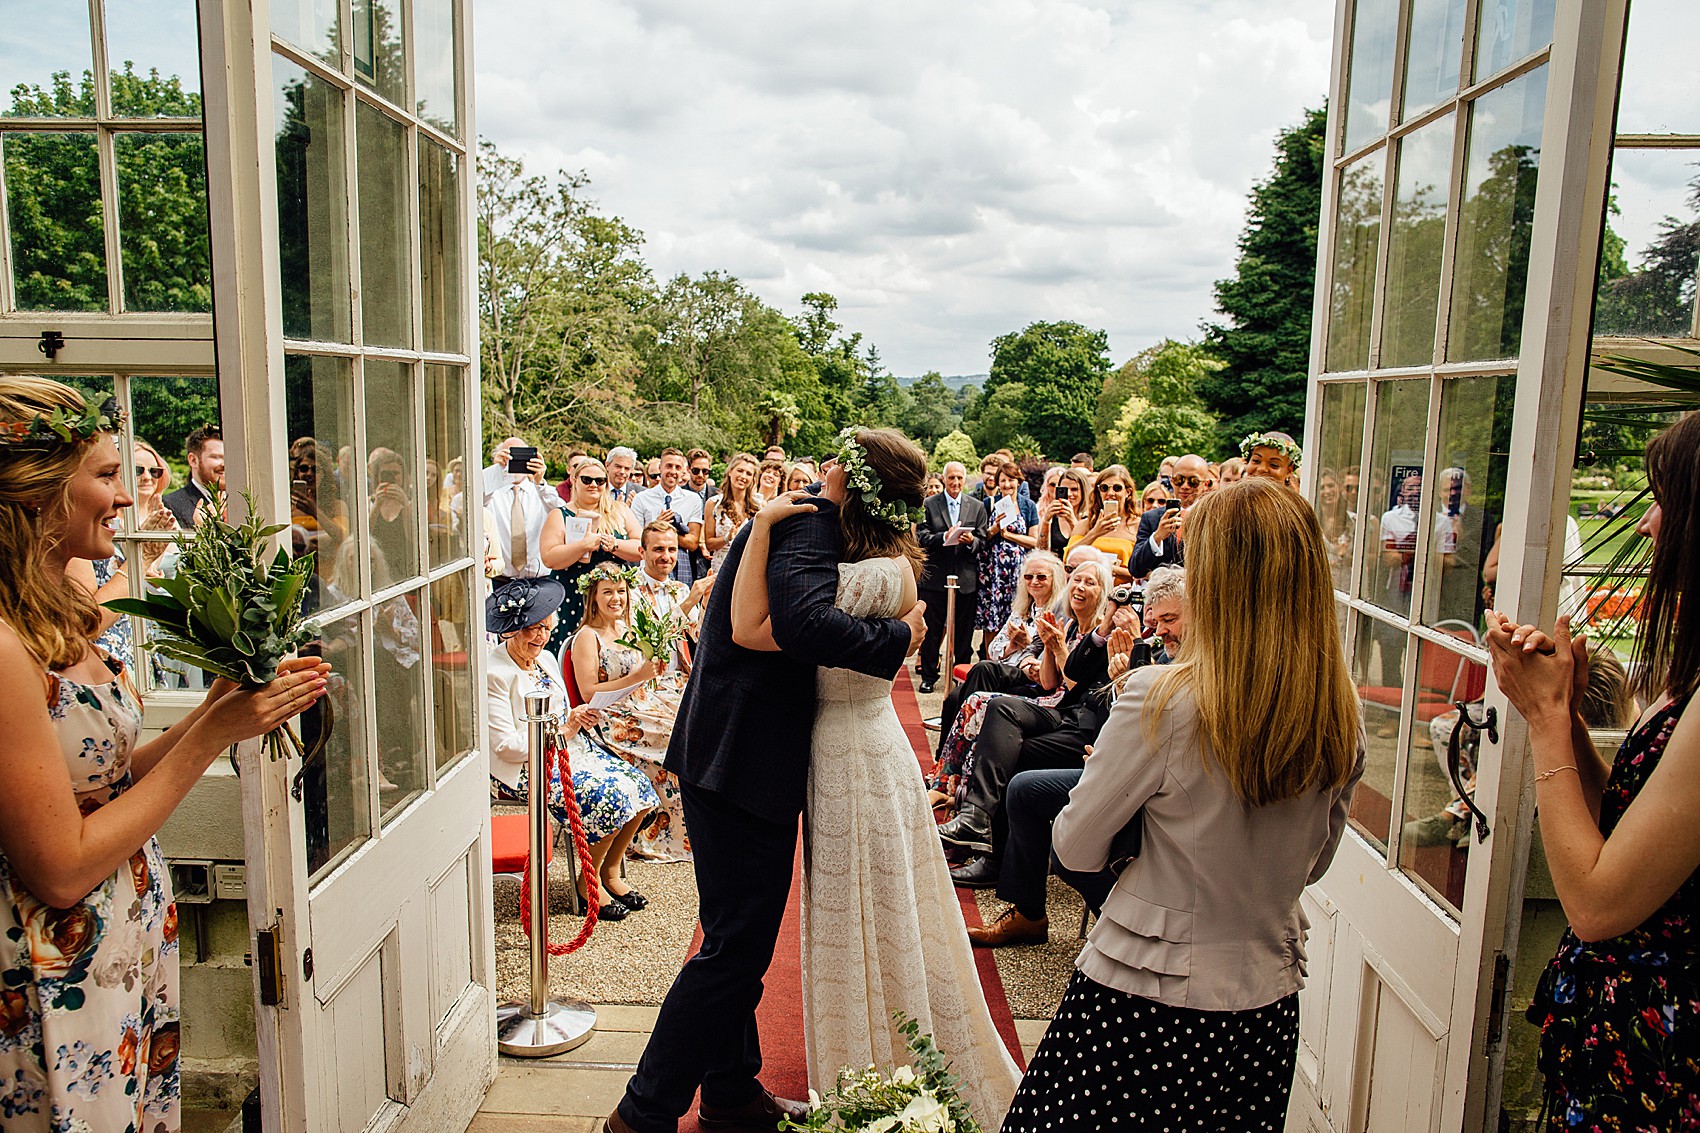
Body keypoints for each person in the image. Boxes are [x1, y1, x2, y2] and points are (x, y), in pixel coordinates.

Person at [0, 376, 329, 1132]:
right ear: (40, 492)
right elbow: (60, 863)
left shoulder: (66, 603)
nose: (125, 498)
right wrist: (212, 737)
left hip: (125, 937)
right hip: (53, 970)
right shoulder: (4, 648)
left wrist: (222, 706)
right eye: (107, 475)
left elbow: (107, 779)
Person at [1001, 479, 1364, 1132]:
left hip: (1145, 997)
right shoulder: (1338, 711)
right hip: (1264, 996)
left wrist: (1144, 861)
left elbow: (1075, 843)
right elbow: (1313, 865)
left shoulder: (1163, 698)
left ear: (1221, 584)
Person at [605, 435, 926, 1133]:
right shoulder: (809, 520)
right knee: (736, 950)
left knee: (732, 937)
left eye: (844, 456)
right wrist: (898, 637)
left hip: (733, 750)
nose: (830, 463)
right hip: (743, 757)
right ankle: (642, 1111)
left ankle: (729, 1093)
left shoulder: (806, 517)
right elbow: (800, 625)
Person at [726, 428, 1021, 1128]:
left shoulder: (867, 575)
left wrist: (761, 529)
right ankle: (874, 1059)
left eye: (836, 461)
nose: (822, 469)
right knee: (880, 905)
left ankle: (876, 1070)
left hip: (852, 749)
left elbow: (750, 627)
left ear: (857, 484)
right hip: (848, 742)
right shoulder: (869, 559)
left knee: (866, 909)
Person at [1487, 412, 1700, 1131]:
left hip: (1662, 1070)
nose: (1647, 526)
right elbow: (1633, 827)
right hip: (1620, 1050)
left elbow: (1598, 902)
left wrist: (1545, 723)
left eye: (1664, 500)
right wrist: (1569, 720)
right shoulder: (1687, 676)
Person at [969, 565, 1189, 938]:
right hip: (1099, 740)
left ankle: (1123, 920)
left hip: (1138, 764)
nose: (1160, 626)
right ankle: (1016, 893)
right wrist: (1103, 632)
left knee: (1064, 841)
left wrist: (1132, 669)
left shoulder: (1165, 653)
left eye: (1169, 618)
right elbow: (1077, 679)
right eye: (1156, 616)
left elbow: (1154, 721)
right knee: (1018, 771)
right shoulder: (1118, 634)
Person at [486, 577, 658, 919]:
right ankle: (587, 883)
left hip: (570, 750)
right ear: (509, 630)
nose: (540, 637)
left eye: (545, 628)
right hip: (527, 768)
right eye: (531, 630)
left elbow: (560, 711)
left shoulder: (546, 659)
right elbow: (506, 747)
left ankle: (608, 873)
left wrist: (575, 715)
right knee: (610, 796)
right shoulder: (495, 673)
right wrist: (564, 730)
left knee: (641, 788)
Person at [937, 559, 1124, 872]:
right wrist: (1051, 646)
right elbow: (1051, 680)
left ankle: (970, 817)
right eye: (1076, 580)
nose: (1079, 587)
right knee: (983, 706)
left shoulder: (1104, 635)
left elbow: (1073, 686)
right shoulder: (1069, 625)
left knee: (994, 710)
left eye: (1090, 583)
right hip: (1053, 700)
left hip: (1071, 714)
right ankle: (969, 816)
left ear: (1105, 594)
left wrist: (1059, 647)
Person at [930, 554, 1098, 819]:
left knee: (986, 691)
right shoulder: (1036, 613)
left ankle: (963, 796)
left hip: (1056, 702)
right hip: (1034, 680)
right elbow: (997, 650)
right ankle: (947, 779)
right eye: (1028, 577)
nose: (1034, 582)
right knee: (960, 696)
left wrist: (1043, 650)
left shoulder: (1082, 628)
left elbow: (1063, 683)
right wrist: (1022, 650)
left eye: (1041, 577)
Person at [572, 561, 693, 863]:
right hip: (610, 718)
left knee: (688, 727)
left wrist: (653, 674)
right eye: (608, 592)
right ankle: (654, 836)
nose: (616, 598)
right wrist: (638, 676)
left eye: (621, 591)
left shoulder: (629, 628)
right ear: (594, 598)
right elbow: (588, 691)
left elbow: (646, 675)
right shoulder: (587, 636)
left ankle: (694, 829)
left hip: (642, 703)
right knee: (671, 740)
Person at [549, 458, 642, 653]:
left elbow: (641, 548)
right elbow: (549, 556)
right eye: (587, 479)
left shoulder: (620, 511)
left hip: (612, 599)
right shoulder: (560, 514)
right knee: (574, 653)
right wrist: (583, 545)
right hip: (573, 596)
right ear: (574, 480)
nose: (593, 485)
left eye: (600, 481)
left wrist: (615, 545)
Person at [914, 461, 988, 693]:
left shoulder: (976, 506)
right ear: (944, 479)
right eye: (951, 478)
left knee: (964, 633)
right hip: (935, 578)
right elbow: (921, 537)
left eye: (959, 478)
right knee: (932, 631)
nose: (955, 482)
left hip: (965, 578)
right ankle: (928, 675)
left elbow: (983, 540)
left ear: (965, 480)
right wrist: (943, 536)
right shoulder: (928, 504)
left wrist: (971, 541)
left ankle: (960, 675)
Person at [975, 459, 1039, 659]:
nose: (1007, 485)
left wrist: (1009, 536)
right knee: (992, 622)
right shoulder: (988, 504)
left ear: (1018, 482)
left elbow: (1034, 541)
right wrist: (995, 528)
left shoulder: (1028, 506)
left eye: (1011, 480)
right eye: (1003, 480)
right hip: (994, 573)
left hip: (1018, 571)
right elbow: (979, 536)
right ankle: (989, 661)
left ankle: (1013, 661)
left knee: (1016, 617)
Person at [631, 521, 712, 669]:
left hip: (679, 680)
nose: (666, 556)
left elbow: (698, 636)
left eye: (672, 549)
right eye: (658, 549)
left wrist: (705, 602)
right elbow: (652, 642)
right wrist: (688, 603)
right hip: (645, 682)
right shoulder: (629, 589)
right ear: (642, 552)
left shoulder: (681, 589)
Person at [1128, 452, 1211, 578]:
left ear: (1205, 484)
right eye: (1179, 480)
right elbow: (1135, 569)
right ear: (1172, 481)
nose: (1185, 486)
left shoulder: (1213, 517)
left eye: (1193, 481)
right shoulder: (1151, 518)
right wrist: (1157, 537)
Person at [631, 449, 703, 585]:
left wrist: (666, 534)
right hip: (650, 566)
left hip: (681, 566)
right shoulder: (641, 499)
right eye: (669, 466)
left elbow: (693, 543)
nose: (673, 471)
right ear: (660, 468)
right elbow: (636, 539)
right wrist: (656, 526)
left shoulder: (692, 499)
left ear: (683, 471)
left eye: (677, 467)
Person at [1064, 464, 1141, 579]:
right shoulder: (1085, 525)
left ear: (1128, 492)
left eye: (1117, 488)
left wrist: (1106, 567)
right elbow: (1068, 559)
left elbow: (1142, 572)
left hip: (1123, 591)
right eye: (1104, 488)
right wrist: (1095, 532)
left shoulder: (1138, 525)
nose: (1110, 493)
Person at [705, 452, 759, 572]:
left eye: (748, 473)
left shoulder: (759, 505)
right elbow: (709, 544)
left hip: (748, 567)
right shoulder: (714, 504)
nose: (743, 476)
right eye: (740, 470)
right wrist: (727, 537)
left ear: (752, 479)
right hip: (722, 568)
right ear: (730, 472)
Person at [162, 423, 223, 528]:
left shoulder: (242, 501)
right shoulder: (171, 505)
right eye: (216, 457)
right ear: (193, 460)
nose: (224, 464)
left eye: (229, 456)